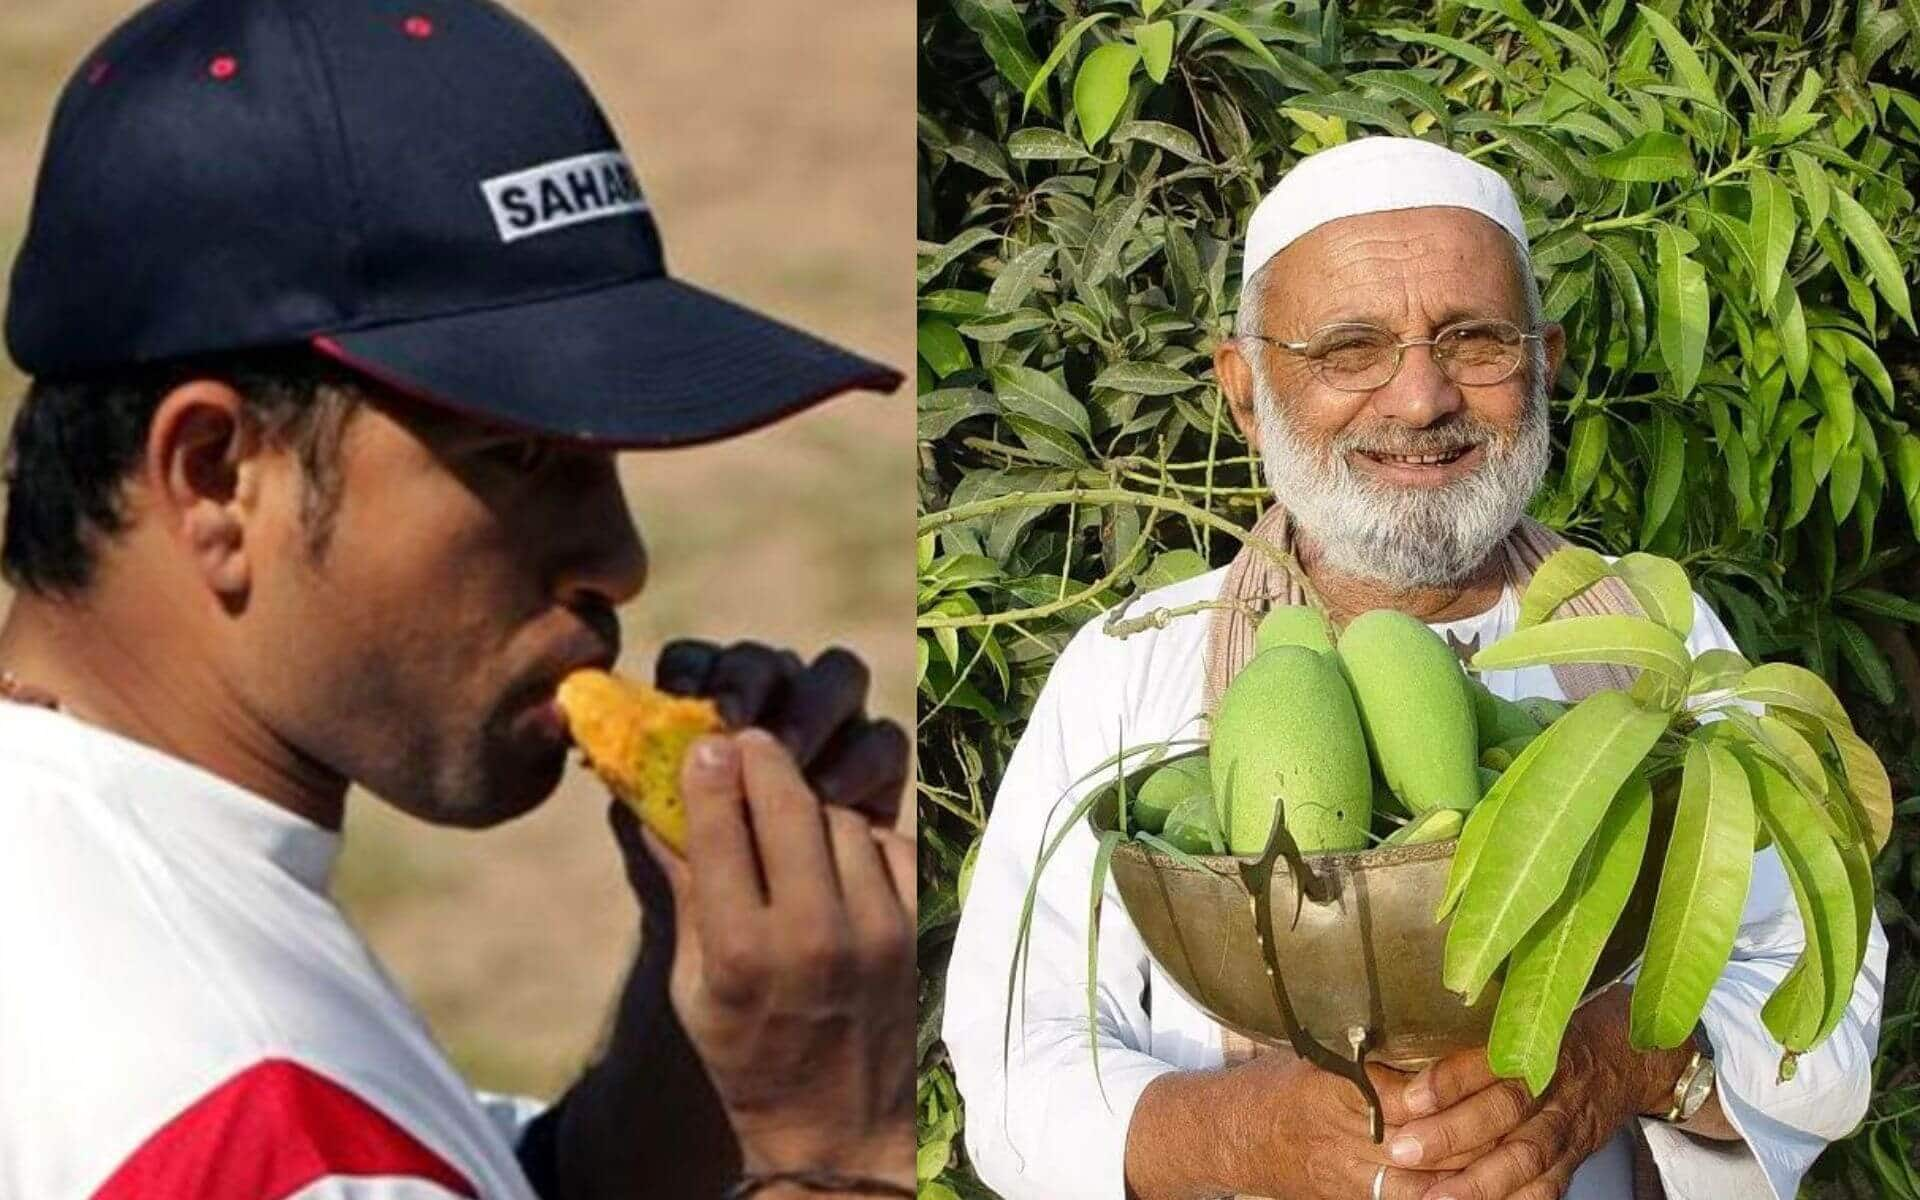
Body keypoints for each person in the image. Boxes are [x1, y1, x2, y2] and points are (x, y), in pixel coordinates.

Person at [0, 1, 913, 1197]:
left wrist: (708, 1005)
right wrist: (834, 1149)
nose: (620, 556)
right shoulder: (262, 1132)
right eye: (520, 458)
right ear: (217, 477)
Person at [943, 137, 1886, 1200]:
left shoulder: (1650, 644)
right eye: (1350, 349)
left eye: (1475, 340)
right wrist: (1249, 1137)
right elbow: (1013, 1053)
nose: (1420, 399)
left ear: (1546, 363)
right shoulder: (1132, 669)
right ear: (1246, 392)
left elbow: (1823, 1001)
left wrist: (1621, 1059)